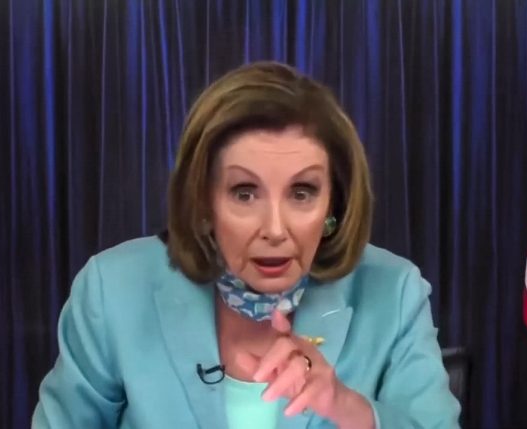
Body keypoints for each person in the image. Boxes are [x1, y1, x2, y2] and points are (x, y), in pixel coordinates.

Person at [32, 61, 460, 428]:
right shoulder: (114, 291)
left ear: (334, 203)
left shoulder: (393, 293)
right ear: (203, 202)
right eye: (244, 193)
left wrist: (346, 406)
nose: (274, 229)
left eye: (302, 193)